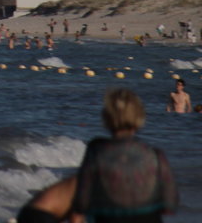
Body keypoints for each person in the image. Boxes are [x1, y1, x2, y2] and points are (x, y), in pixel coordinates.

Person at [70, 87, 177, 223]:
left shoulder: (96, 151)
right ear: (140, 116)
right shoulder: (155, 155)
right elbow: (170, 204)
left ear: (106, 117)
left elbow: (81, 202)